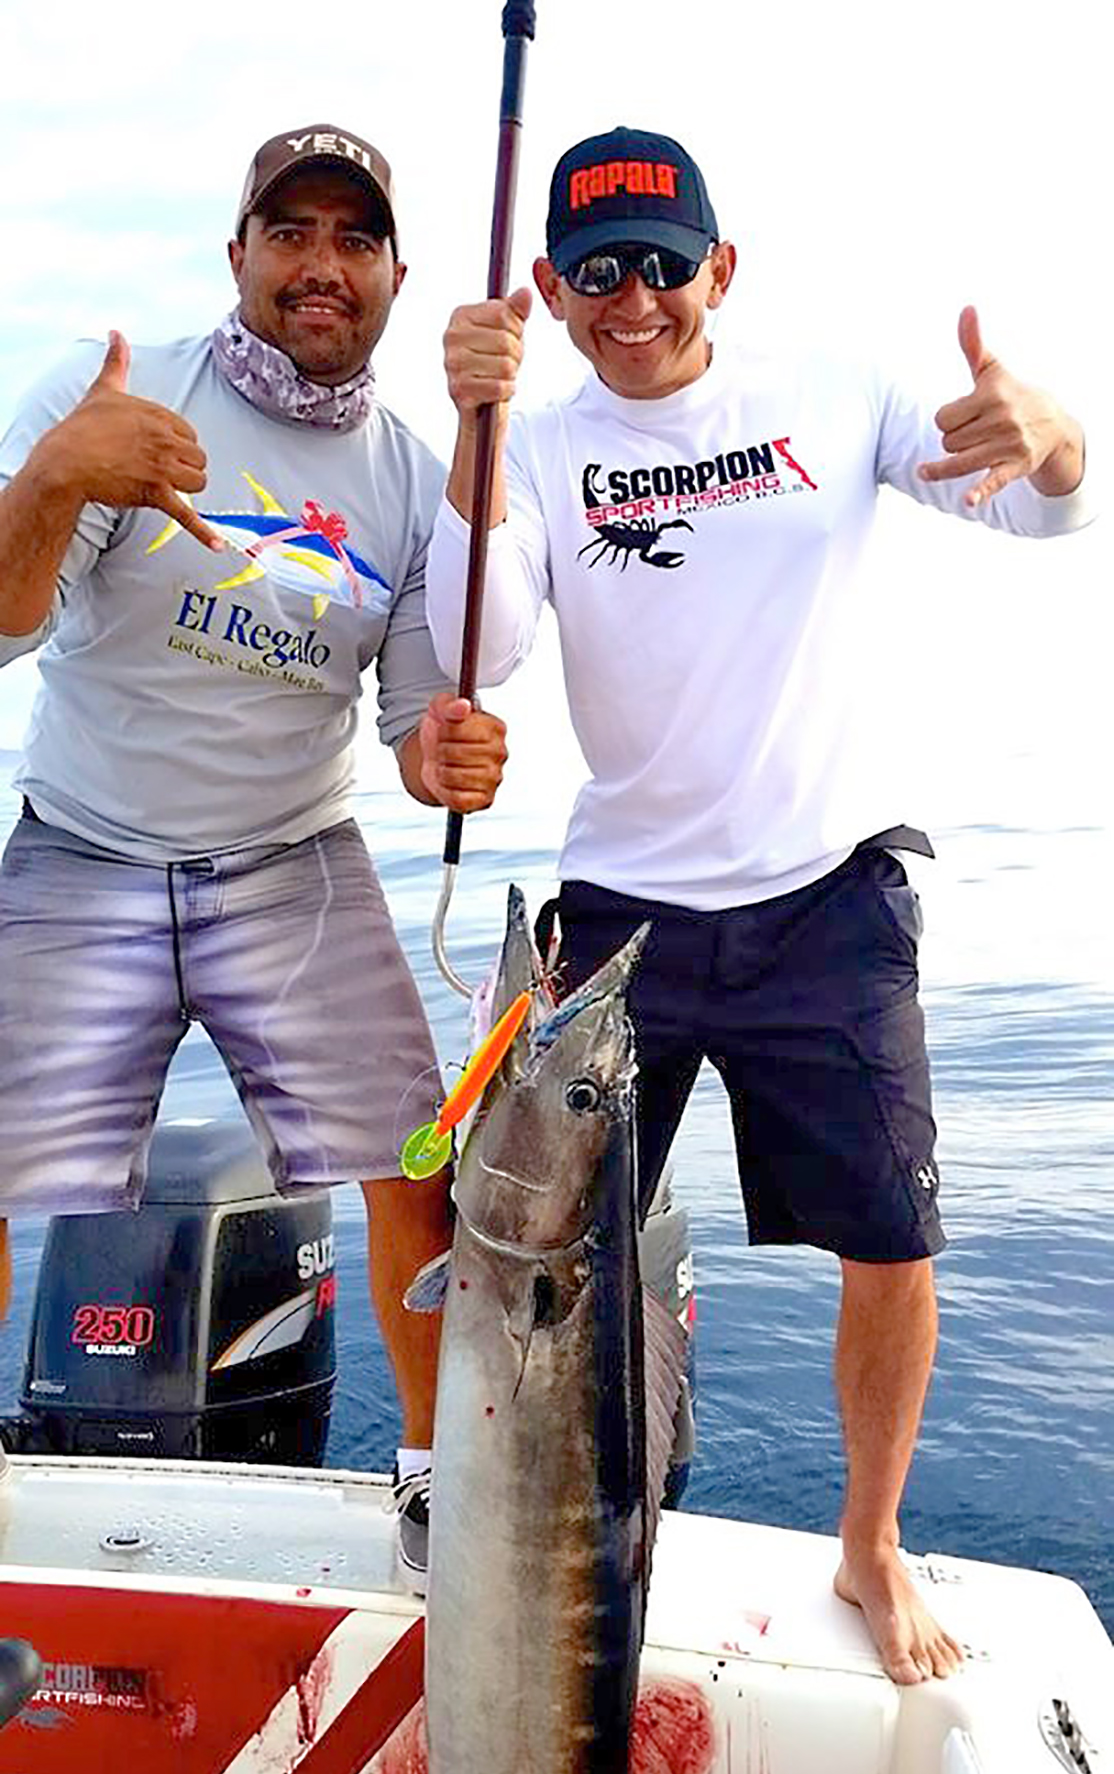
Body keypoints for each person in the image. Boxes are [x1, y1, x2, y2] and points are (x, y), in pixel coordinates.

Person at [426, 126, 1095, 1682]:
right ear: (549, 290)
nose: (632, 299)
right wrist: (474, 428)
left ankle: (867, 1543)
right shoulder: (539, 440)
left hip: (826, 900)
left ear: (720, 267)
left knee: (891, 1243)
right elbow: (488, 642)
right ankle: (530, 1534)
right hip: (619, 913)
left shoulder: (832, 389)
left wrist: (1056, 435)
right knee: (533, 1255)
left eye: (663, 263)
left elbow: (1045, 512)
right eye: (597, 272)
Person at [0, 122, 509, 1590]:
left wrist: (448, 756)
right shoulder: (115, 390)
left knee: (417, 1161)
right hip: (85, 844)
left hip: (292, 859)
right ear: (238, 255)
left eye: (354, 239)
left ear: (397, 275)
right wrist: (54, 477)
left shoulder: (414, 481)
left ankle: (438, 1480)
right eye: (290, 233)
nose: (321, 264)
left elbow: (413, 723)